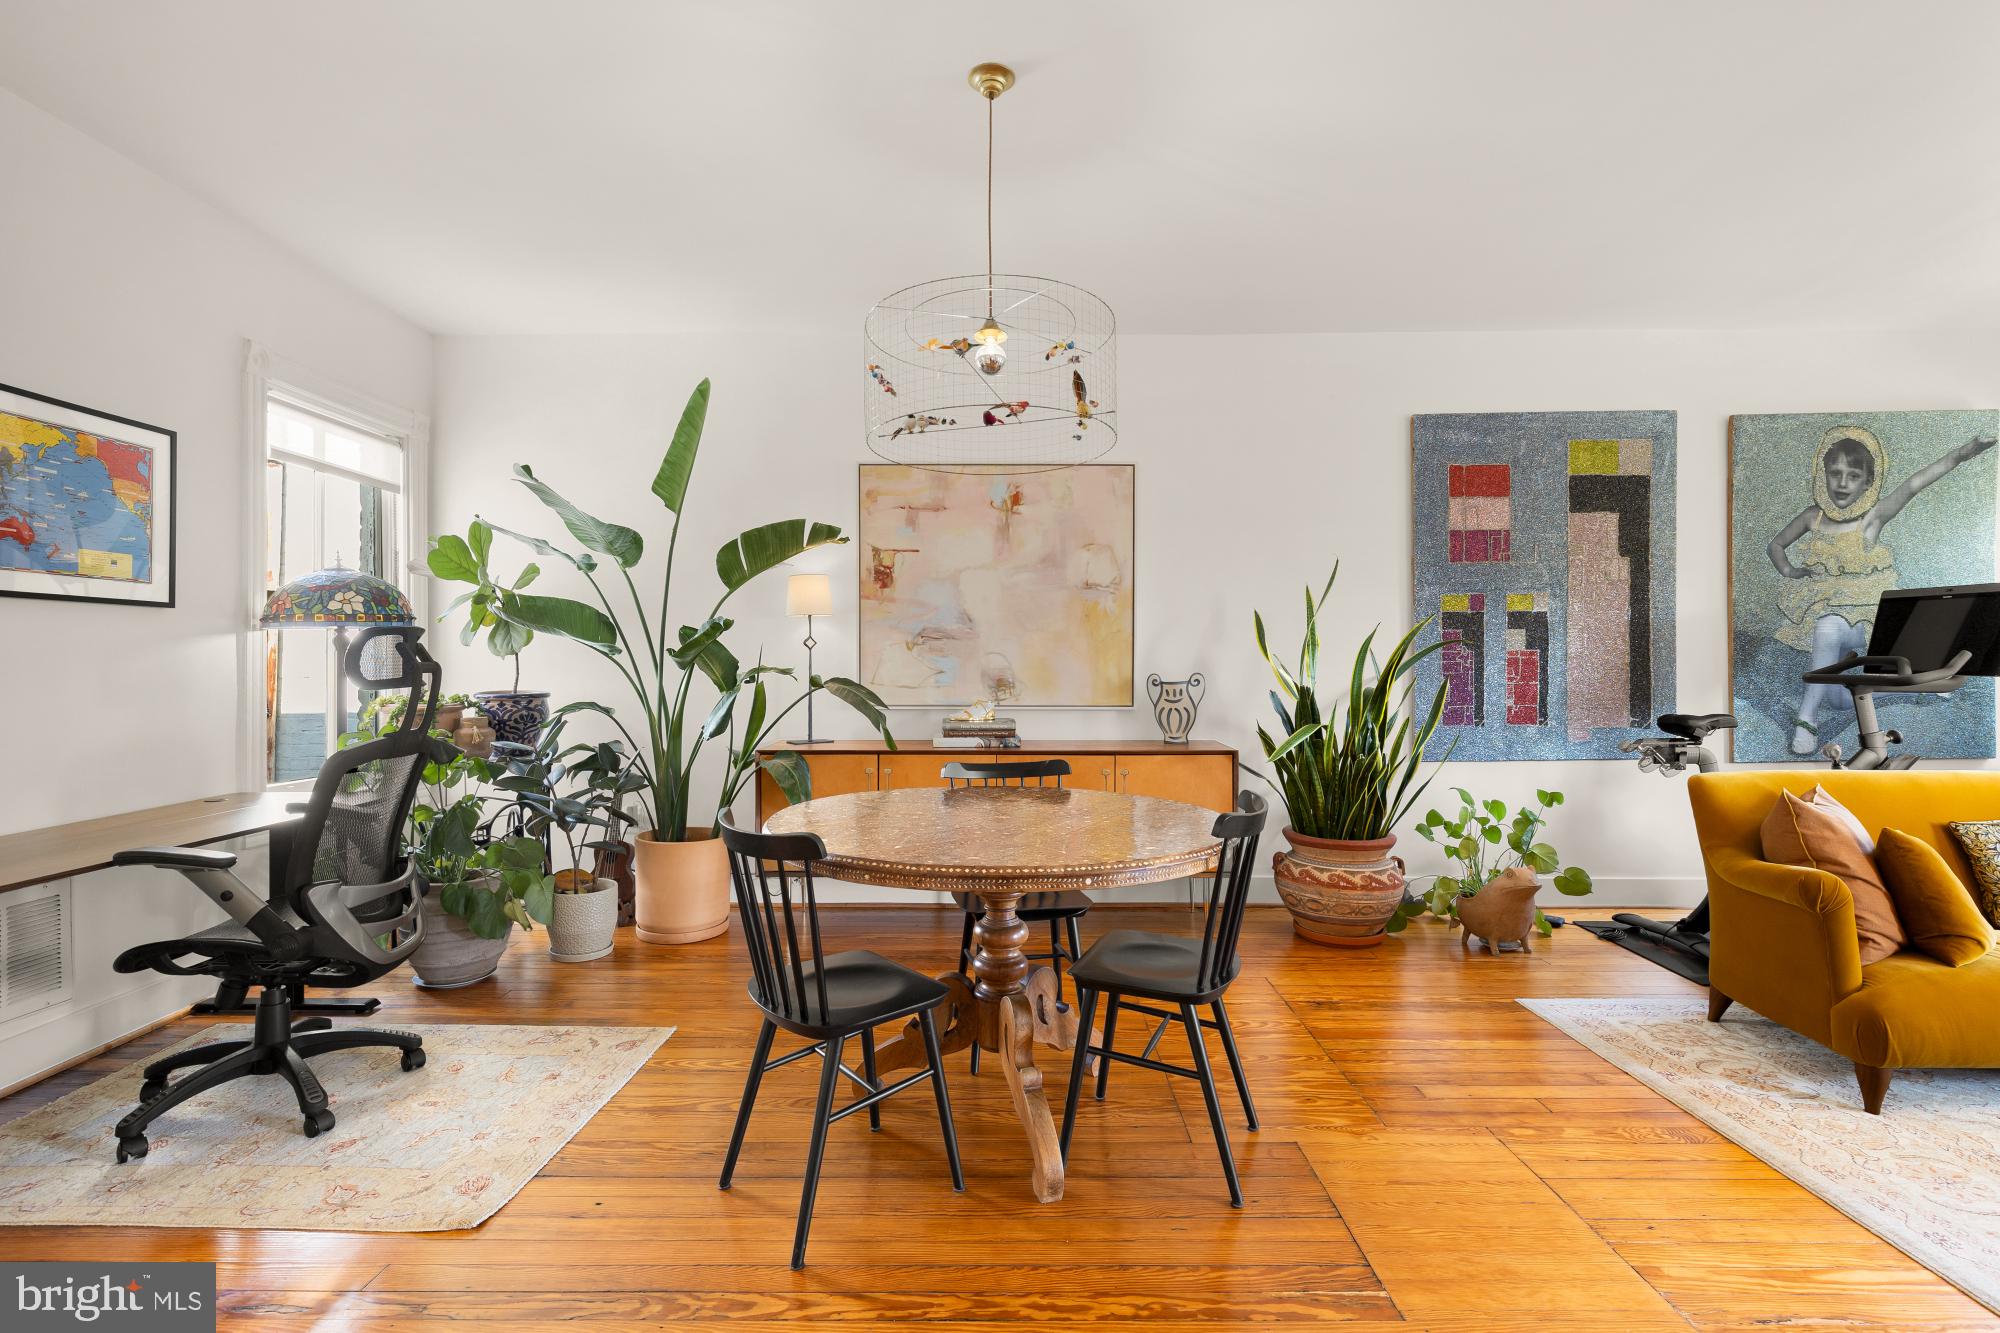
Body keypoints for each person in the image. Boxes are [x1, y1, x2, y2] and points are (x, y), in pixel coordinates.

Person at [1768, 426, 1996, 754]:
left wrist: (1964, 452)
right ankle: (1918, 687)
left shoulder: (1872, 517)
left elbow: (1915, 483)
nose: (1843, 483)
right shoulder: (1813, 517)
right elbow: (1775, 545)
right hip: (1833, 626)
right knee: (1838, 688)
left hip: (1868, 621)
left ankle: (1807, 717)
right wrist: (1789, 570)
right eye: (1835, 473)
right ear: (1824, 475)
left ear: (1868, 481)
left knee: (1835, 631)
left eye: (1853, 475)